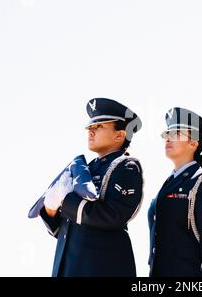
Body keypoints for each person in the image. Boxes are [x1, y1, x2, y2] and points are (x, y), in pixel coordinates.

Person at [36, 97, 143, 276]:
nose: (91, 132)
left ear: (120, 135)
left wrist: (66, 199)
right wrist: (51, 210)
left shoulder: (126, 166)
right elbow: (66, 231)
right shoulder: (84, 170)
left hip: (102, 269)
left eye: (99, 127)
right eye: (90, 128)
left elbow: (113, 216)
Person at [148, 107, 202, 277]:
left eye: (176, 134)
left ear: (194, 143)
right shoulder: (168, 183)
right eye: (167, 134)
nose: (168, 138)